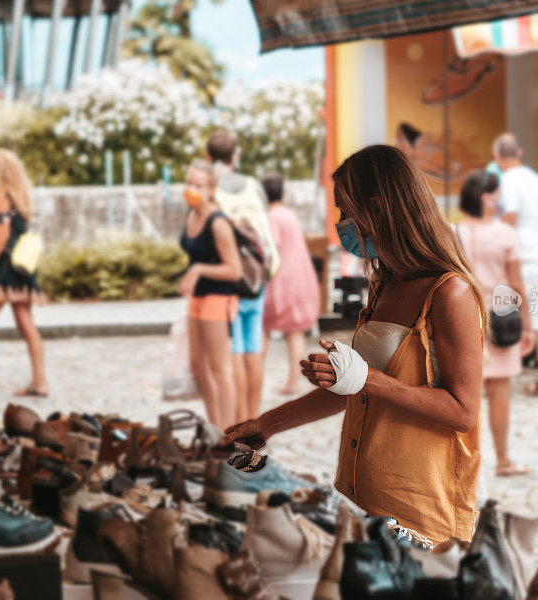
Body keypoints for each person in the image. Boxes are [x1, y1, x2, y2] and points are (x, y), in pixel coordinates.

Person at [224, 145, 485, 544]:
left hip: (423, 513)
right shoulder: (384, 285)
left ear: (379, 210)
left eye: (346, 212)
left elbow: (463, 411)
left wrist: (367, 379)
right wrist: (267, 424)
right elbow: (354, 387)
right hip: (367, 500)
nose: (342, 225)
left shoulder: (450, 293)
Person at [457, 170, 533, 476]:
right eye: (497, 194)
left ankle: (462, 463)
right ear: (486, 198)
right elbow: (517, 284)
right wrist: (527, 326)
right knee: (499, 393)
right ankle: (503, 460)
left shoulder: (452, 232)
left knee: (462, 395)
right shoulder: (505, 235)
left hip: (462, 317)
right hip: (501, 318)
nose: (500, 200)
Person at [206, 132, 280, 421]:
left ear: (208, 156)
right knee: (253, 346)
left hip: (228, 278)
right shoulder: (254, 186)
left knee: (235, 348)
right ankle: (253, 418)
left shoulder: (212, 189)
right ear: (234, 157)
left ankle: (237, 419)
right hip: (257, 276)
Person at [0, 149, 47, 397]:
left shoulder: (0, 193)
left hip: (4, 269)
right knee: (26, 323)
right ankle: (40, 381)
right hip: (22, 268)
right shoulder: (20, 194)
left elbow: (2, 235)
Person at [179, 160, 243, 428]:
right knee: (197, 367)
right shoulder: (192, 214)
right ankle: (215, 428)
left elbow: (234, 270)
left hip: (219, 298)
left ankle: (227, 435)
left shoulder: (218, 222)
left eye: (198, 184)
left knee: (219, 370)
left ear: (211, 190)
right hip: (198, 299)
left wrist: (198, 270)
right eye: (189, 182)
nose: (191, 188)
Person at [493, 133, 538, 395]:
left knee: (502, 313)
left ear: (497, 157)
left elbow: (509, 216)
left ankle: (501, 375)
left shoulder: (506, 181)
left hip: (519, 259)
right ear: (518, 153)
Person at [260, 174, 320, 395]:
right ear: (282, 193)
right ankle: (293, 382)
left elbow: (271, 250)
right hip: (301, 278)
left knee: (261, 328)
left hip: (281, 281)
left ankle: (252, 377)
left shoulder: (272, 217)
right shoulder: (290, 215)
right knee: (294, 332)